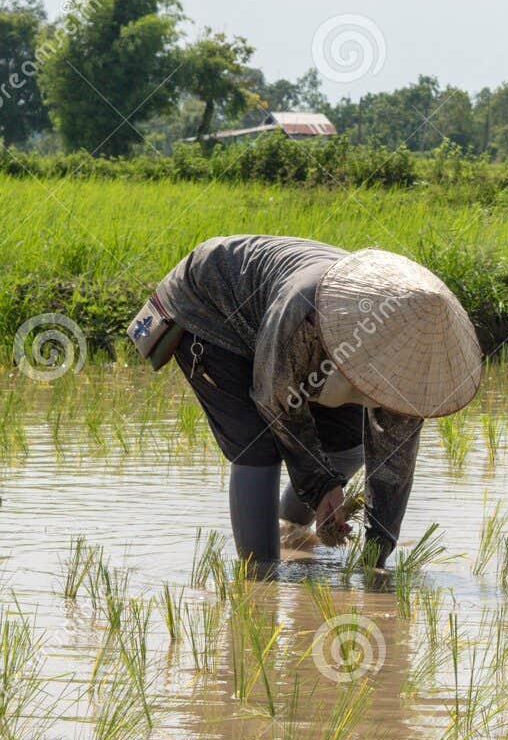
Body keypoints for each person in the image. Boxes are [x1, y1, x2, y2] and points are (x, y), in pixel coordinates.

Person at [147, 235, 482, 567]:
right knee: (257, 445)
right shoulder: (307, 312)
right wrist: (323, 484)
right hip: (214, 304)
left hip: (291, 329)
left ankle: (289, 530)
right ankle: (260, 579)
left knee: (347, 442)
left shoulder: (412, 367)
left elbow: (394, 460)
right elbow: (276, 401)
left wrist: (375, 556)